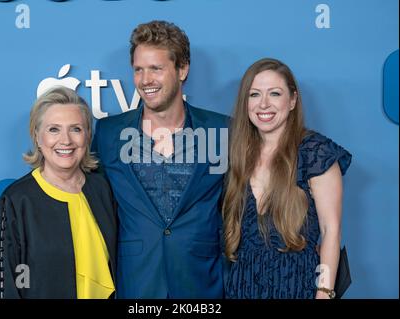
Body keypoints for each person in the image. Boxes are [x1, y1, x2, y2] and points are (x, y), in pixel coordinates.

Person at [92, 20, 229, 298]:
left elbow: (238, 208)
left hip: (202, 284)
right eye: (138, 70)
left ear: (182, 70)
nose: (145, 80)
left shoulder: (223, 131)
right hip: (136, 283)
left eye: (156, 68)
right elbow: (96, 207)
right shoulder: (108, 133)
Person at [222, 58, 352, 299]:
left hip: (297, 285)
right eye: (254, 95)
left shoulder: (314, 151)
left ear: (292, 100)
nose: (263, 104)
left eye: (274, 94)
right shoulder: (238, 155)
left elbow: (331, 230)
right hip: (243, 286)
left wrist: (324, 291)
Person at [0, 87, 117, 299]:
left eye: (76, 129)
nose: (65, 140)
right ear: (37, 137)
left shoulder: (102, 188)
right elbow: (7, 285)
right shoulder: (16, 200)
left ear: (87, 136)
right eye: (54, 129)